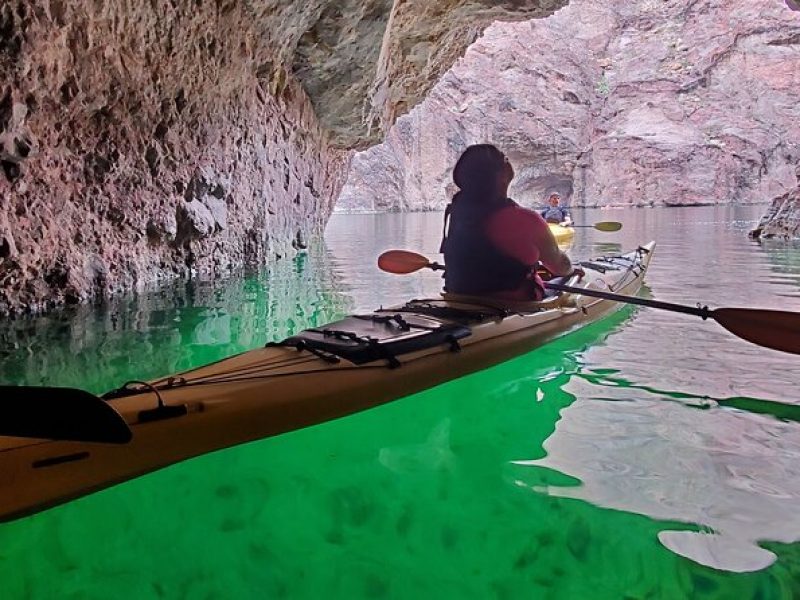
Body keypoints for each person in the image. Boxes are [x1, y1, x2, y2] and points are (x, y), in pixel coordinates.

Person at [439, 144, 579, 301]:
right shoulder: (527, 220)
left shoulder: (456, 214)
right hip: (515, 303)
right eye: (505, 159)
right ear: (502, 175)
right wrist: (572, 270)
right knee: (573, 279)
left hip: (460, 298)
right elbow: (559, 266)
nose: (508, 161)